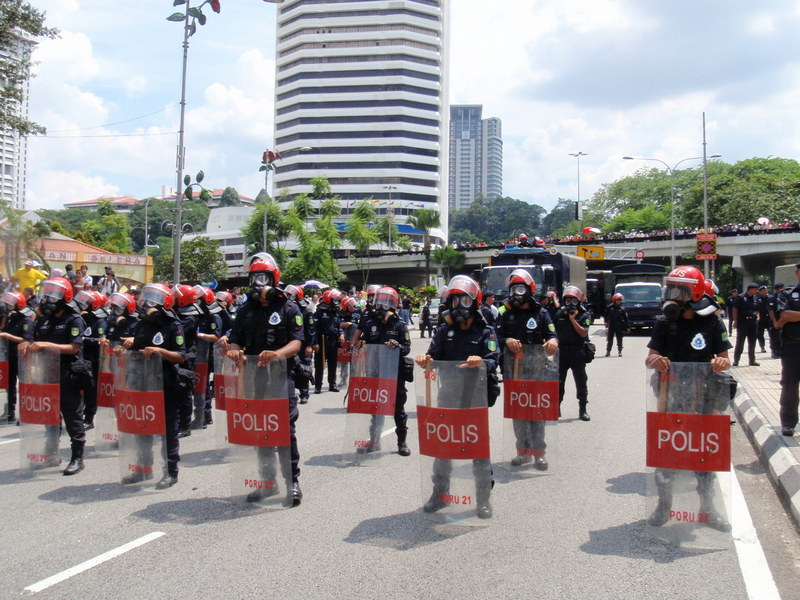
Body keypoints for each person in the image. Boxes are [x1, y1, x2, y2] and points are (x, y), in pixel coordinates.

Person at [644, 265, 732, 532]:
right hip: (671, 398)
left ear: (693, 292)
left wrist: (719, 363)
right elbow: (649, 358)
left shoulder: (713, 322)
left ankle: (708, 509)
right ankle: (664, 506)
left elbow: (725, 359)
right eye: (669, 288)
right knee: (667, 455)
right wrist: (656, 361)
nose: (672, 295)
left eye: (677, 290)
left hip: (704, 398)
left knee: (704, 455)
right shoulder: (664, 323)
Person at [415, 275, 498, 519]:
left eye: (463, 299)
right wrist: (425, 361)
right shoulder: (444, 330)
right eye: (453, 300)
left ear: (474, 302)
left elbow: (494, 359)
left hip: (474, 396)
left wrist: (480, 361)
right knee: (443, 447)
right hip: (448, 394)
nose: (457, 305)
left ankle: (483, 499)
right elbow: (433, 356)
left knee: (478, 449)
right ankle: (440, 494)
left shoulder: (486, 331)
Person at [226, 253, 304, 505]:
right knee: (260, 431)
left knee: (284, 431)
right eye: (254, 278)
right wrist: (234, 348)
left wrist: (276, 354)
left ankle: (292, 482)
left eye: (263, 277)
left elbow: (297, 342)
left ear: (274, 278)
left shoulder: (288, 307)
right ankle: (267, 482)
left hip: (280, 378)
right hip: (253, 378)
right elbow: (235, 337)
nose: (258, 283)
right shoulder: (246, 309)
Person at [20, 278, 88, 475]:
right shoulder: (44, 319)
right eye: (47, 294)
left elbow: (73, 347)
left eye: (54, 294)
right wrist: (27, 344)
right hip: (46, 372)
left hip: (68, 372)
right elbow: (34, 340)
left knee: (72, 414)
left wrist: (47, 346)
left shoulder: (74, 319)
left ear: (64, 296)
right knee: (49, 415)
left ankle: (77, 458)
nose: (49, 298)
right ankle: (51, 454)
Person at [121, 283, 186, 488]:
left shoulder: (174, 326)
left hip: (166, 383)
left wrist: (160, 352)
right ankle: (143, 468)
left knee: (168, 429)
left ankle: (170, 471)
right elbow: (139, 351)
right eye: (146, 298)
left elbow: (180, 356)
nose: (147, 304)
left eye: (153, 299)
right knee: (143, 428)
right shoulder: (142, 325)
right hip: (143, 383)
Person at [496, 269, 558, 469]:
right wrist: (507, 340)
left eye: (521, 288)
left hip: (537, 370)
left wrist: (553, 341)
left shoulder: (541, 312)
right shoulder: (505, 312)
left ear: (530, 289)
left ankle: (539, 453)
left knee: (536, 412)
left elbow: (552, 334)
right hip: (513, 369)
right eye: (514, 288)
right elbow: (493, 338)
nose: (517, 292)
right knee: (519, 414)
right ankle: (522, 452)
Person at [354, 286, 412, 456]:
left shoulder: (400, 325)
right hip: (375, 372)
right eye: (379, 302)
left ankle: (402, 442)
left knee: (398, 409)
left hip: (394, 374)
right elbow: (362, 342)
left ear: (393, 305)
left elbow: (407, 348)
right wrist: (359, 345)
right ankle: (374, 441)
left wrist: (397, 345)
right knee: (376, 408)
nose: (381, 306)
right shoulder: (371, 324)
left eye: (386, 302)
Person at [553, 285, 591, 421]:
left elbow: (583, 332)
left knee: (581, 382)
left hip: (577, 352)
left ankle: (583, 410)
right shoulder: (559, 314)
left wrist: (572, 319)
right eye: (567, 301)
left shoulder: (584, 314)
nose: (570, 304)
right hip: (562, 352)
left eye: (573, 301)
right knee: (558, 382)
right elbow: (552, 332)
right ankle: (556, 408)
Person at [74, 290, 108, 430]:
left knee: (90, 390)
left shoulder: (99, 320)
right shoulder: (82, 318)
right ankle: (79, 415)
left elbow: (101, 340)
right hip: (81, 358)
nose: (83, 304)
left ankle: (89, 418)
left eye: (87, 302)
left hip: (93, 360)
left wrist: (85, 339)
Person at [0, 291, 34, 423]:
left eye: (12, 303)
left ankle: (27, 412)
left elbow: (26, 339)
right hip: (9, 356)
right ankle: (10, 412)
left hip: (22, 357)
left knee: (25, 386)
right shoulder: (11, 318)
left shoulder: (26, 320)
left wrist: (6, 336)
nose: (9, 306)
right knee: (10, 385)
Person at [776, 264, 800, 436]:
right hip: (793, 346)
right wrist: (790, 316)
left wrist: (795, 315)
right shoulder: (787, 294)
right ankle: (788, 423)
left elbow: (792, 316)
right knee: (790, 385)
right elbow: (784, 315)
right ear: (797, 273)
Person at [284, 285, 315, 405]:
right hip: (290, 345)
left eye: (291, 294)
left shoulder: (306, 311)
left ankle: (304, 394)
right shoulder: (286, 309)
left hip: (303, 345)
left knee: (304, 370)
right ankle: (291, 395)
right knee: (290, 370)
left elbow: (311, 330)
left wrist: (309, 345)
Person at [313, 289, 344, 394]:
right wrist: (315, 343)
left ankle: (332, 384)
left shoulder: (335, 313)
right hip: (322, 341)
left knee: (333, 364)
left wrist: (342, 334)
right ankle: (318, 386)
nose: (337, 302)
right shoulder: (319, 312)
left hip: (333, 341)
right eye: (335, 300)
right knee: (319, 364)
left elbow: (338, 326)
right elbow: (314, 329)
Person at [732, 282, 760, 366]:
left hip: (753, 322)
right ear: (750, 289)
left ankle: (752, 360)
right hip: (743, 322)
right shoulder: (740, 297)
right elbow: (735, 309)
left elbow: (757, 309)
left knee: (752, 342)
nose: (757, 291)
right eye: (755, 289)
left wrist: (758, 317)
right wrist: (735, 321)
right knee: (740, 342)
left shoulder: (756, 298)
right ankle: (736, 360)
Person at [604, 293, 630, 357]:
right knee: (610, 340)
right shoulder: (610, 308)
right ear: (614, 300)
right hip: (611, 326)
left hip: (619, 326)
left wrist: (628, 327)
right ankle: (608, 351)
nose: (619, 301)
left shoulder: (622, 309)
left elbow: (626, 318)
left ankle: (620, 351)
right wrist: (606, 322)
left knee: (619, 339)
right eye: (617, 300)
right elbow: (606, 316)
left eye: (620, 300)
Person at [768, 283, 785, 359]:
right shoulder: (772, 298)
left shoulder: (783, 297)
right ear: (777, 289)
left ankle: (781, 352)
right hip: (774, 320)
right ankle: (774, 352)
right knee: (774, 337)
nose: (783, 289)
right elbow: (770, 311)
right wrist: (774, 321)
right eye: (781, 288)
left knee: (782, 337)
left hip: (783, 321)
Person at [757, 285, 770, 353]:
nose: (765, 291)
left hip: (769, 318)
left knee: (772, 333)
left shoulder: (770, 298)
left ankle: (773, 347)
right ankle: (762, 347)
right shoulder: (757, 299)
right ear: (759, 292)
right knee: (760, 334)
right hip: (761, 319)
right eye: (763, 290)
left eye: (766, 290)